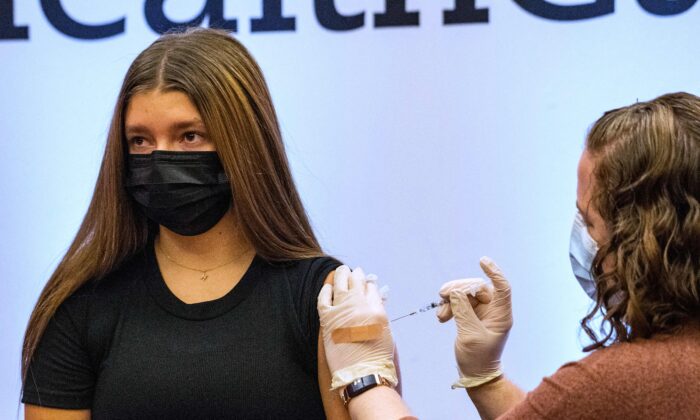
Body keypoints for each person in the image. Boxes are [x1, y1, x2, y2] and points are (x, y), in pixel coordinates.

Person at [22, 27, 360, 419]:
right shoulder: (81, 306)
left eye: (189, 136)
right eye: (141, 141)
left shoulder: (326, 298)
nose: (161, 160)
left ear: (243, 142)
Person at [319, 92, 700, 419]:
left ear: (642, 237)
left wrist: (366, 379)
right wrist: (486, 376)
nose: (582, 238)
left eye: (590, 222)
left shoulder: (622, 382)